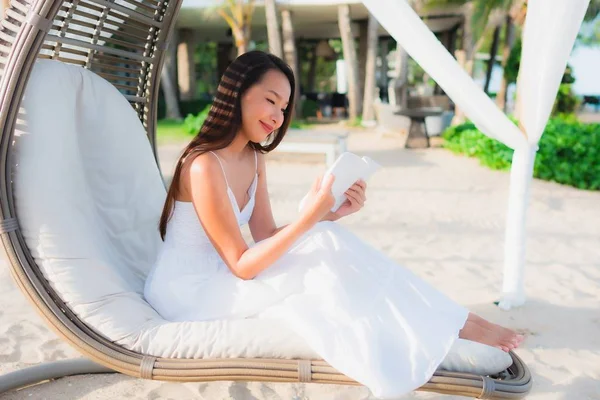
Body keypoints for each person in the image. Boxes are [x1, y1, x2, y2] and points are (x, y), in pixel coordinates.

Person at [144, 51, 523, 398]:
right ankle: (452, 323)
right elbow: (243, 266)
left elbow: (266, 237)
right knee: (321, 245)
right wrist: (310, 218)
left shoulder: (254, 159)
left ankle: (450, 319)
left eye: (284, 106)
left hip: (224, 275)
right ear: (237, 93)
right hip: (188, 291)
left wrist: (326, 215)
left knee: (326, 236)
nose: (277, 116)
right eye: (270, 100)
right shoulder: (203, 164)